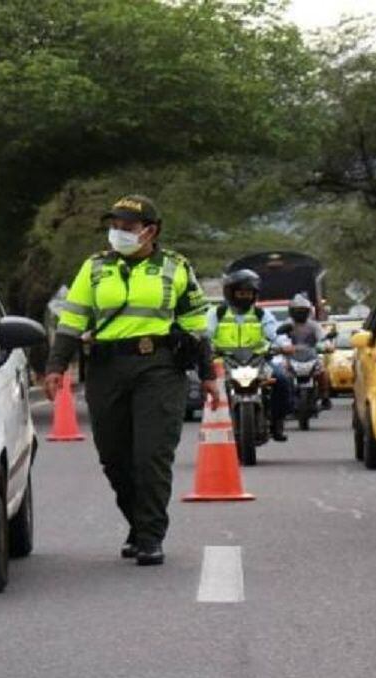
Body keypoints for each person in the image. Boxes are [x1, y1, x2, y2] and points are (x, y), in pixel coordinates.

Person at [45, 195, 214, 566]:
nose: (117, 233)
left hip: (160, 368)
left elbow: (196, 324)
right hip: (107, 369)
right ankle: (138, 524)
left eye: (127, 227)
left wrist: (208, 374)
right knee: (115, 457)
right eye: (114, 226)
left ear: (150, 231)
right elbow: (72, 319)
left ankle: (151, 536)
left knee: (151, 456)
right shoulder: (94, 268)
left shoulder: (176, 267)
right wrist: (56, 366)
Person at [207, 269, 293, 441]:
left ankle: (277, 423)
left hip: (258, 361)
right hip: (225, 363)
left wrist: (284, 345)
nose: (245, 297)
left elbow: (275, 333)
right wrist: (205, 348)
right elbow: (206, 334)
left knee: (282, 380)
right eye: (241, 293)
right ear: (231, 293)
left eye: (249, 293)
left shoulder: (261, 314)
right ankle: (215, 427)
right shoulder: (217, 313)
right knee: (209, 387)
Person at [287, 293, 333, 399]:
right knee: (283, 377)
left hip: (311, 356)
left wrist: (327, 346)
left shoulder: (314, 325)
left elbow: (322, 337)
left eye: (303, 311)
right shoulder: (288, 325)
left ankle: (325, 396)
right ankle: (285, 402)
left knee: (323, 372)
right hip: (292, 358)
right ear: (292, 312)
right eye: (297, 311)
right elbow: (279, 338)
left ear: (308, 312)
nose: (300, 313)